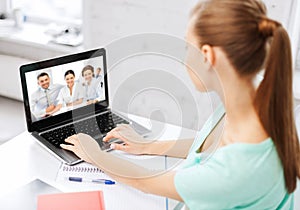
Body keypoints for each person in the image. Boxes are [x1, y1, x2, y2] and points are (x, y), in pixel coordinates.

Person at [61, 0, 300, 209]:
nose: (185, 58)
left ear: (207, 56)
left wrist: (94, 154)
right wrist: (149, 144)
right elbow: (207, 148)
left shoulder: (236, 170)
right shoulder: (254, 96)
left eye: (188, 47)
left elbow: (144, 181)